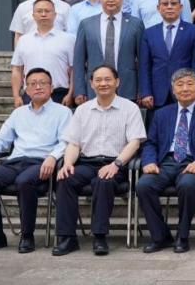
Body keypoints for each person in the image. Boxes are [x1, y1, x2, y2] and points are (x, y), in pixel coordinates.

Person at [51, 65, 146, 256]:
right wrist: (68, 163)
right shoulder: (82, 110)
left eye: (108, 79)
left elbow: (135, 142)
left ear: (117, 82)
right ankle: (67, 238)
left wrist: (116, 164)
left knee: (104, 180)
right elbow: (74, 143)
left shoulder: (130, 108)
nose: (103, 83)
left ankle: (100, 236)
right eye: (98, 80)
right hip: (87, 162)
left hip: (117, 164)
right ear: (92, 84)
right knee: (65, 178)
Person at [0, 68, 70, 254]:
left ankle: (27, 235)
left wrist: (53, 157)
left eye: (43, 83)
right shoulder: (18, 113)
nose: (38, 87)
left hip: (41, 163)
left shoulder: (63, 112)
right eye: (33, 84)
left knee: (24, 182)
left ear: (51, 88)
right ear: (26, 89)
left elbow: (66, 141)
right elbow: (1, 139)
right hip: (15, 162)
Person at [136, 68, 195, 253]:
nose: (185, 88)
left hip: (193, 162)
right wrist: (148, 161)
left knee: (187, 185)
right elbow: (150, 143)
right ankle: (160, 236)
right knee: (143, 185)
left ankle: (182, 236)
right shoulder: (161, 114)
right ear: (173, 90)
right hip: (165, 162)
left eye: (190, 84)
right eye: (180, 85)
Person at [73, 0, 144, 103]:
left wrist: (142, 90)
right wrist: (80, 90)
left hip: (127, 87)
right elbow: (78, 61)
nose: (111, 0)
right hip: (95, 88)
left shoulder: (135, 24)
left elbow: (143, 60)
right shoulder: (86, 24)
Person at [139, 0, 195, 109]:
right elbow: (144, 66)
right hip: (157, 94)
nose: (169, 7)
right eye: (165, 4)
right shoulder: (149, 33)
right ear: (158, 8)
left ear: (180, 7)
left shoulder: (194, 31)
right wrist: (146, 92)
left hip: (186, 92)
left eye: (173, 3)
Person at [11, 0, 75, 107]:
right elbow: (17, 69)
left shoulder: (69, 39)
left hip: (60, 93)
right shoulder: (23, 40)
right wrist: (16, 96)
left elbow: (74, 69)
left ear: (55, 15)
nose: (43, 14)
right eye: (39, 11)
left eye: (47, 11)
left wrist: (70, 94)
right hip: (31, 94)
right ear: (33, 15)